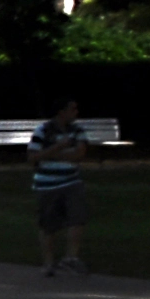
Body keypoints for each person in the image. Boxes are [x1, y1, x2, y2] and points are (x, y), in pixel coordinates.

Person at [29, 99, 98, 276]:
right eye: (72, 109)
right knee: (48, 225)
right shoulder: (43, 130)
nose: (76, 113)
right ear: (62, 112)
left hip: (71, 180)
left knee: (77, 218)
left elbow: (79, 154)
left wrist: (51, 155)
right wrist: (59, 148)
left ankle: (71, 259)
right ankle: (49, 263)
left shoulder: (77, 130)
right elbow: (33, 157)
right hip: (47, 184)